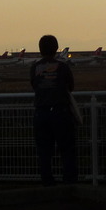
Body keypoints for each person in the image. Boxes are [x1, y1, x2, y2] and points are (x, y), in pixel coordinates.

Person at [30, 34, 78, 184]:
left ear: (40, 49)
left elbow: (34, 86)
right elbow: (70, 87)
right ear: (57, 48)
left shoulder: (35, 67)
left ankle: (48, 184)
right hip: (60, 112)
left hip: (41, 112)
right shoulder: (62, 67)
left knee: (44, 152)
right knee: (67, 150)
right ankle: (69, 183)